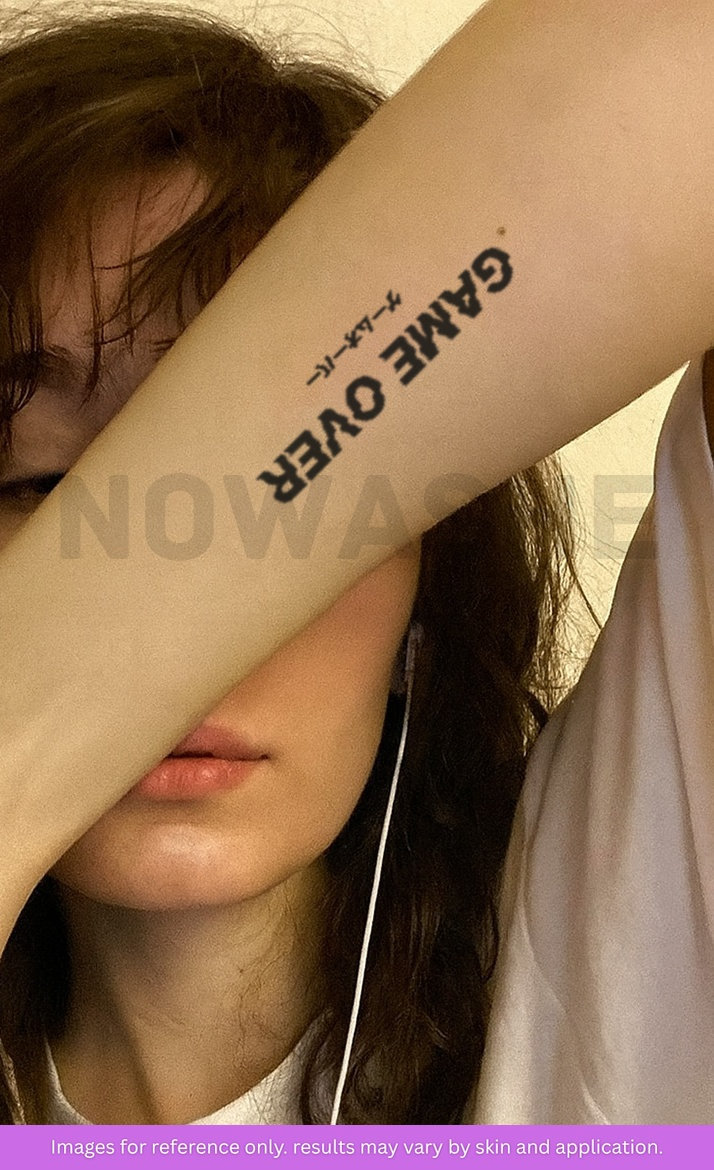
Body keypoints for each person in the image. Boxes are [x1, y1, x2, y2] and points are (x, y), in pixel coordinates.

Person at [2, 0, 714, 1128]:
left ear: (424, 600)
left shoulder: (608, 960)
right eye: (45, 483)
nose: (187, 614)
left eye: (294, 501)